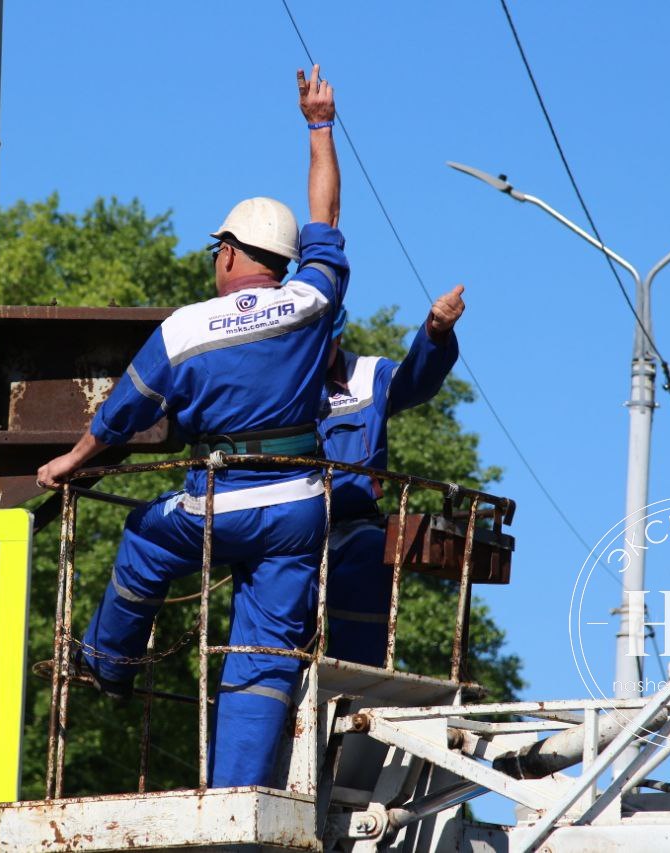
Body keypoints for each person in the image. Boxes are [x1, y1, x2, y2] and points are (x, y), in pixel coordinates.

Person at [35, 65, 346, 788]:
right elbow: (326, 216)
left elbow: (118, 417)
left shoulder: (185, 329)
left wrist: (70, 462)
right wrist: (320, 124)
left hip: (219, 502)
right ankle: (237, 793)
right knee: (264, 653)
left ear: (230, 254)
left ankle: (107, 663)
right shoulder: (312, 296)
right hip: (302, 504)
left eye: (218, 251)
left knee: (145, 537)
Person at [319, 286, 465, 666]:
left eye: (323, 340)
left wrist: (436, 333)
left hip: (351, 527)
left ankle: (352, 687)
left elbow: (415, 380)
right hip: (286, 526)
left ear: (338, 335)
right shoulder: (274, 380)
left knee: (371, 556)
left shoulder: (368, 375)